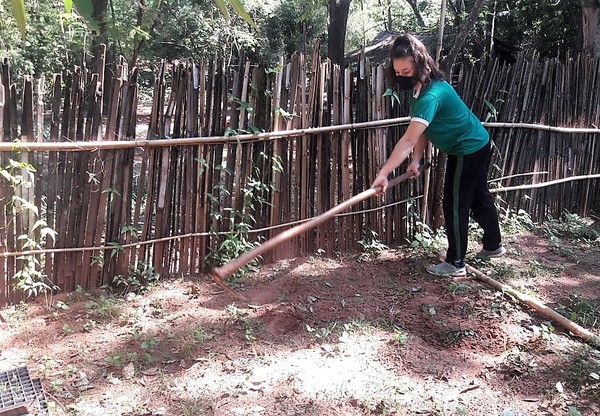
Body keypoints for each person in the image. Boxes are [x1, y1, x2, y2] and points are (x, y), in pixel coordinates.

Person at [371, 34, 506, 277]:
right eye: (398, 72)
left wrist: (384, 172)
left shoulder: (431, 95)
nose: (401, 76)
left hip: (467, 149)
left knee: (455, 204)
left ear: (420, 64)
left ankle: (455, 263)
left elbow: (409, 138)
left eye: (406, 71)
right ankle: (493, 246)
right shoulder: (422, 89)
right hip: (478, 143)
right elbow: (424, 129)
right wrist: (415, 160)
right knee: (478, 196)